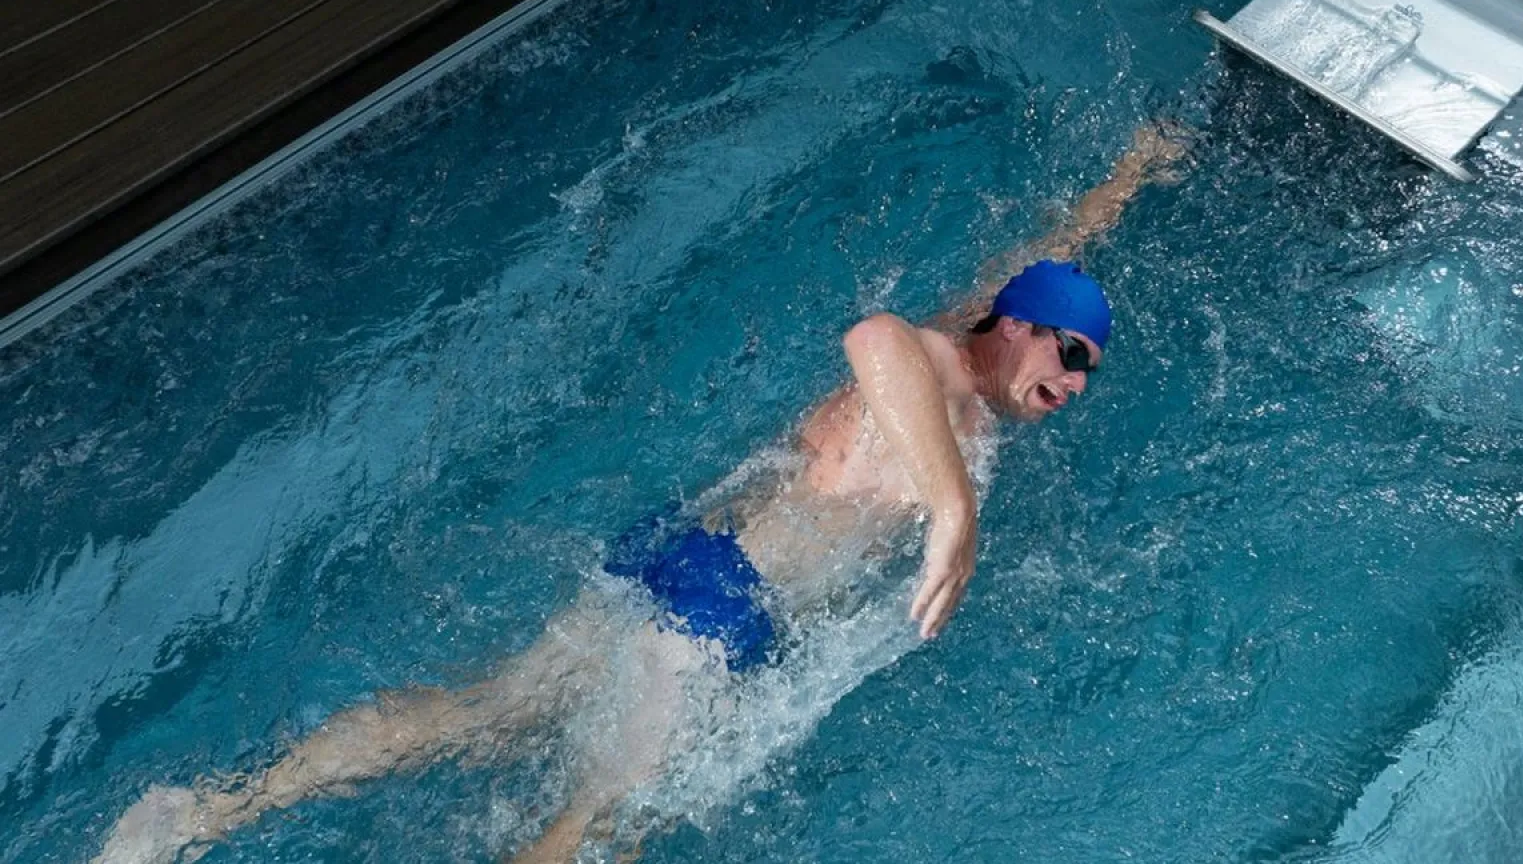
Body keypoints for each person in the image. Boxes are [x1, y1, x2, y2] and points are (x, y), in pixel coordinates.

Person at [94, 124, 1188, 864]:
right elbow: (872, 337)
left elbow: (1038, 260)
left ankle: (208, 812)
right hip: (724, 612)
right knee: (593, 827)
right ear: (1020, 331)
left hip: (686, 556)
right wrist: (955, 513)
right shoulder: (944, 378)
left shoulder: (971, 346)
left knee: (490, 710)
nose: (1075, 387)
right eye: (1075, 358)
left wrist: (1127, 177)